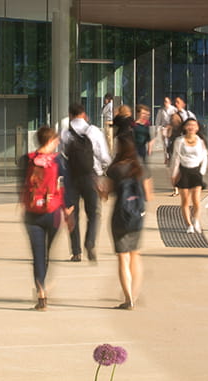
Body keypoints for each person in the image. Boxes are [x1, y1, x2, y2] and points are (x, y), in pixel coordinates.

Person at [19, 126, 70, 310]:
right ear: (50, 141)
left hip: (32, 212)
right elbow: (65, 187)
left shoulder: (27, 159)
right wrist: (68, 212)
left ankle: (41, 293)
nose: (58, 143)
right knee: (48, 254)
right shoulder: (59, 161)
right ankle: (43, 284)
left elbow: (21, 185)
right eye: (56, 140)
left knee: (37, 255)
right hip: (53, 212)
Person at [102, 135, 153, 310]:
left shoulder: (114, 169)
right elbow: (149, 195)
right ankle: (135, 292)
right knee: (135, 255)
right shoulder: (140, 168)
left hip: (119, 217)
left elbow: (105, 195)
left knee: (122, 258)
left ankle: (128, 298)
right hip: (137, 216)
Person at [61, 103, 110, 263]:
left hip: (71, 178)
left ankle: (76, 252)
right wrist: (103, 173)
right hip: (91, 176)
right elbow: (104, 157)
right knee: (94, 214)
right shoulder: (94, 131)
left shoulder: (65, 133)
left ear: (70, 115)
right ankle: (90, 242)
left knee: (72, 214)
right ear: (84, 114)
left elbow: (62, 156)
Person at [171, 118, 208, 234]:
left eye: (194, 125)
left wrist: (201, 172)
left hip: (196, 172)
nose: (191, 127)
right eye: (189, 125)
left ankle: (196, 220)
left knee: (196, 200)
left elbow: (204, 157)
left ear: (197, 128)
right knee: (185, 201)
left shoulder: (200, 141)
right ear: (184, 127)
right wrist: (174, 174)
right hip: (183, 172)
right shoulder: (179, 141)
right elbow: (176, 158)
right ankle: (189, 225)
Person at [166, 111, 184, 195]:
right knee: (173, 170)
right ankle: (175, 189)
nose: (173, 120)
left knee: (181, 170)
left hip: (182, 151)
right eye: (172, 118)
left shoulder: (183, 128)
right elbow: (167, 139)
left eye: (175, 118)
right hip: (172, 149)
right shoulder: (170, 127)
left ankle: (180, 187)